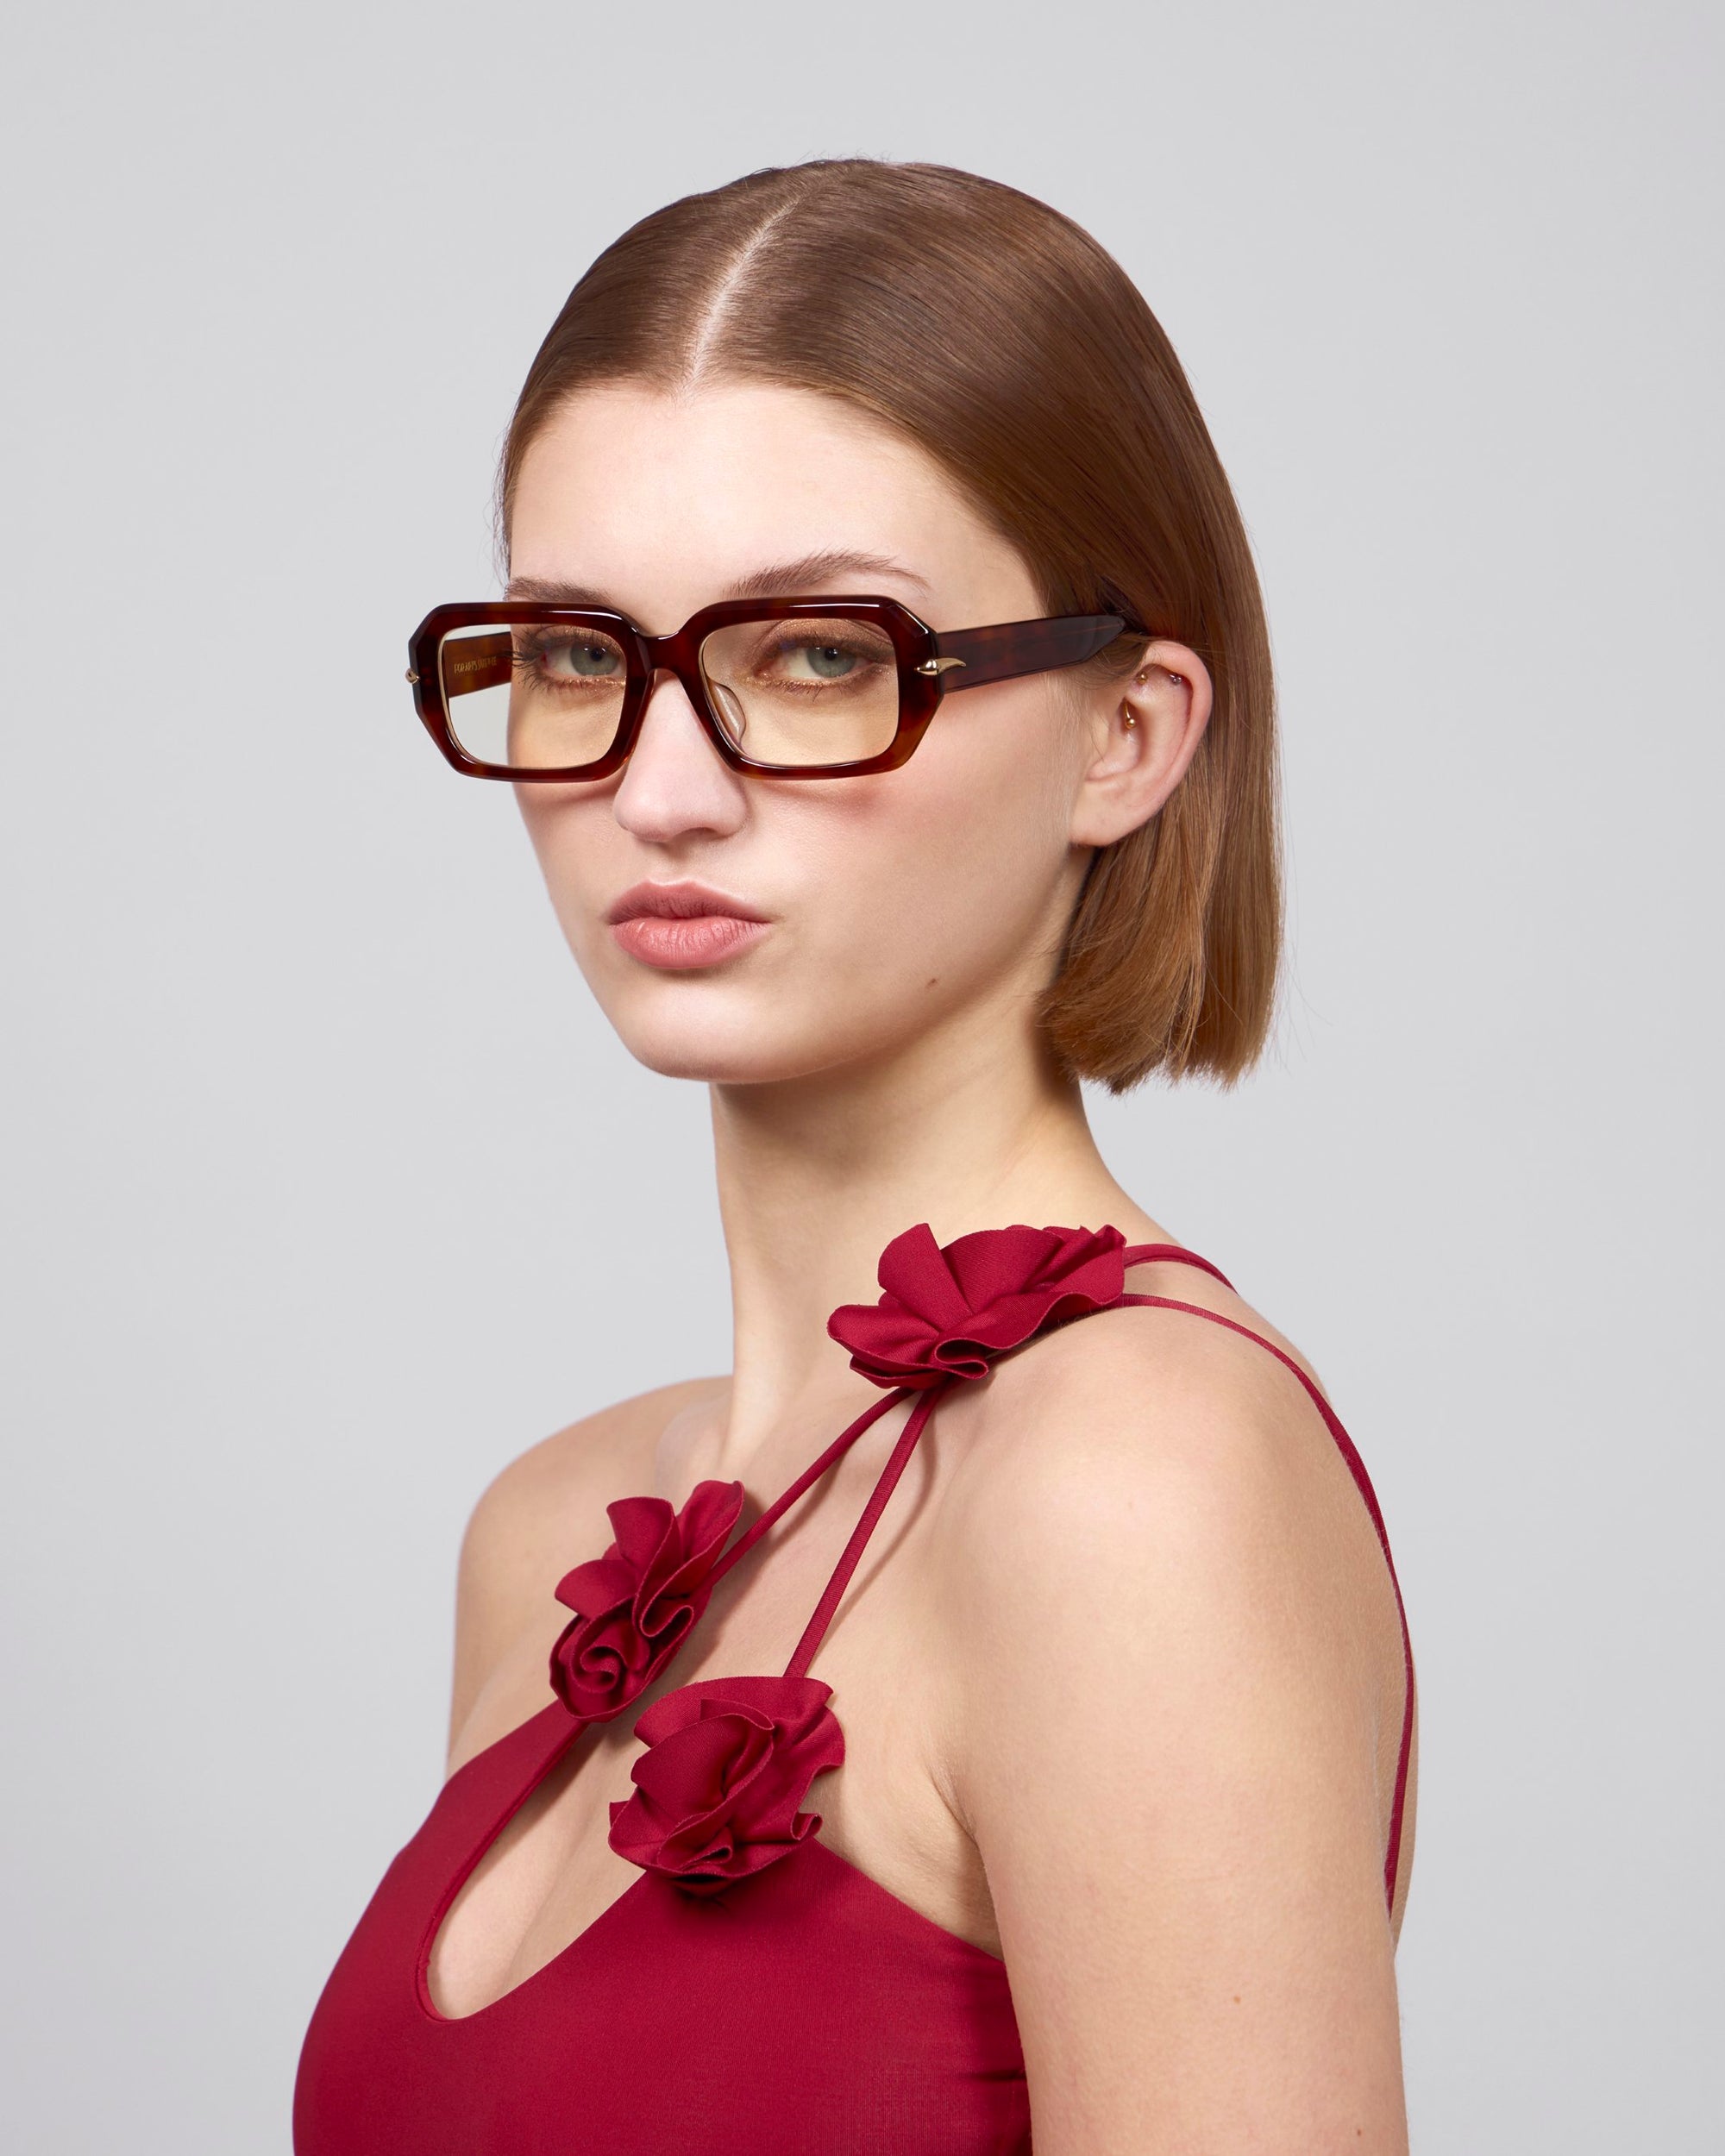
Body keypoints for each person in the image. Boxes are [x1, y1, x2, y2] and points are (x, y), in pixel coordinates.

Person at [294, 158, 1415, 2154]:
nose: (656, 788)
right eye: (571, 653)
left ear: (1123, 737)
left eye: (818, 656)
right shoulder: (548, 1527)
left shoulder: (1131, 1479)